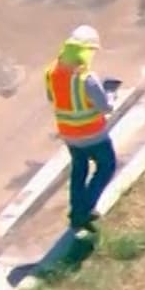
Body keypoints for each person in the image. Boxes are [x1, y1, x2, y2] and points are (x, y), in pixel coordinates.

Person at [45, 25, 117, 232]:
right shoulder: (87, 79)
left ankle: (77, 209)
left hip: (69, 134)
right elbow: (105, 107)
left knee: (80, 169)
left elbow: (52, 97)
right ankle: (83, 211)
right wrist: (111, 92)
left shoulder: (51, 72)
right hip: (93, 134)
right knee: (106, 167)